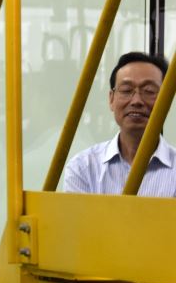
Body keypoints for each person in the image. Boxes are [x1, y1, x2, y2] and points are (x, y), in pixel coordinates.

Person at [60, 51, 176, 197]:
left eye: (149, 91)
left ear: (167, 101)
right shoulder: (83, 167)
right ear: (111, 99)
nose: (136, 101)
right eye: (126, 90)